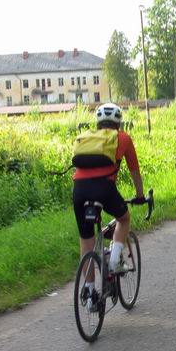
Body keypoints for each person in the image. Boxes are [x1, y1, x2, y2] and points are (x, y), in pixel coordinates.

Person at [72, 103, 144, 290]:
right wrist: (139, 194)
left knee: (86, 243)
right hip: (104, 188)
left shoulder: (87, 138)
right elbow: (134, 170)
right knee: (124, 218)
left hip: (79, 190)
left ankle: (89, 292)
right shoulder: (123, 138)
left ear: (98, 122)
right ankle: (114, 263)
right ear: (119, 123)